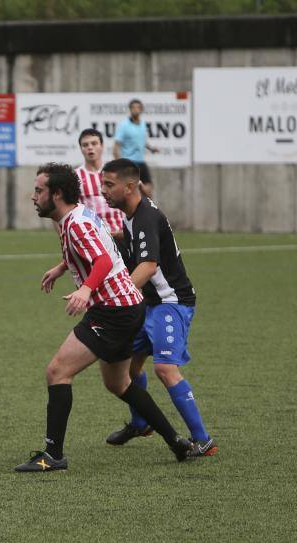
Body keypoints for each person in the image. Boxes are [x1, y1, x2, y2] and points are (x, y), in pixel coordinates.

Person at [14, 162, 192, 473]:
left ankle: (52, 455)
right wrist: (61, 268)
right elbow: (93, 249)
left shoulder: (76, 224)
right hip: (128, 306)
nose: (33, 196)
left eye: (39, 190)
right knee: (119, 383)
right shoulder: (75, 216)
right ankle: (176, 440)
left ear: (56, 194)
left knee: (57, 371)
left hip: (112, 311)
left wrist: (85, 289)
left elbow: (101, 259)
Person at [101, 158, 216, 458]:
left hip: (171, 302)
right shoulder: (132, 213)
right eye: (102, 184)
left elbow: (149, 265)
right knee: (128, 367)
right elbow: (135, 239)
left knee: (164, 368)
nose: (103, 191)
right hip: (149, 304)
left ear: (130, 186)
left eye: (109, 185)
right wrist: (111, 235)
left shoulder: (146, 217)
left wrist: (117, 296)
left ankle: (202, 440)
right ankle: (141, 423)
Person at [75, 128, 124, 236]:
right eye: (85, 145)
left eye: (94, 143)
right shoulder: (75, 176)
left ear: (102, 146)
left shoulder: (116, 172)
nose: (90, 147)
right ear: (81, 149)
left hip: (119, 234)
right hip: (92, 237)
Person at [112, 99, 158, 197]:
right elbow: (116, 145)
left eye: (138, 107)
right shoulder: (124, 126)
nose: (135, 110)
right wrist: (119, 164)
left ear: (141, 110)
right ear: (130, 109)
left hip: (141, 162)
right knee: (130, 193)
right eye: (133, 107)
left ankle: (146, 210)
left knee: (148, 190)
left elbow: (142, 141)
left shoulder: (142, 124)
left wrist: (151, 149)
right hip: (129, 163)